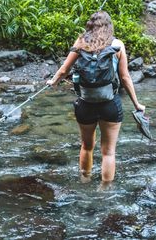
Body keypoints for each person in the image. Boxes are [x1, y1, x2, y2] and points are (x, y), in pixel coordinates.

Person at [46, 11, 145, 189]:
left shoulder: (81, 42)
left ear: (90, 25)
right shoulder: (117, 45)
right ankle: (104, 189)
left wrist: (52, 82)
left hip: (85, 104)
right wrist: (137, 105)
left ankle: (85, 181)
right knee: (108, 152)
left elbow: (63, 70)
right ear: (109, 26)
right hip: (110, 105)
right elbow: (125, 78)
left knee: (86, 145)